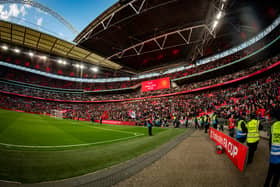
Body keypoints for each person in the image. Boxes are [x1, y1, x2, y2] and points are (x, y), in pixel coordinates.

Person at [264, 108, 280, 187]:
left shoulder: (273, 126)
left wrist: (271, 151)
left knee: (269, 174)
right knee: (276, 176)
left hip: (273, 154)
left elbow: (270, 141)